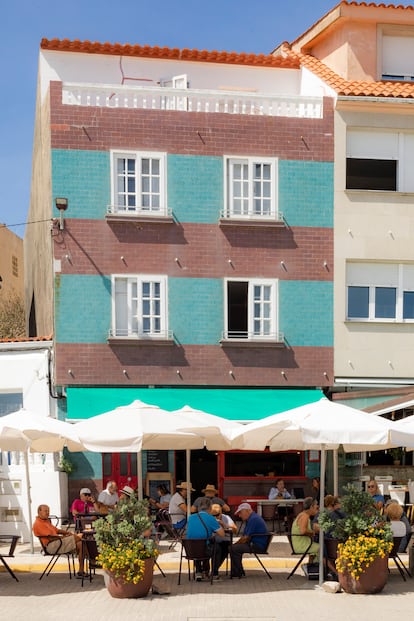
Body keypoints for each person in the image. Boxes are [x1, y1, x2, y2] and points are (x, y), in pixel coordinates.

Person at [33, 504, 85, 577]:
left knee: (80, 544)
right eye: (45, 511)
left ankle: (81, 570)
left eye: (48, 511)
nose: (48, 513)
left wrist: (67, 533)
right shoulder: (38, 523)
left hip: (57, 543)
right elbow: (51, 538)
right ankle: (94, 560)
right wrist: (65, 537)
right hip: (51, 546)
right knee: (81, 536)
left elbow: (57, 530)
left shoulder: (45, 521)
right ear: (39, 512)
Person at [186, 497, 225, 581]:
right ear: (210, 508)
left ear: (198, 508)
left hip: (190, 551)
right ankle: (214, 574)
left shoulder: (191, 518)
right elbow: (222, 534)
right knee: (217, 548)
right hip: (204, 550)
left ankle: (198, 572)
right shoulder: (211, 518)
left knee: (197, 543)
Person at [230, 502, 269, 578]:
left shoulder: (253, 519)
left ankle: (237, 572)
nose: (239, 515)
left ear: (248, 511)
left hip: (257, 545)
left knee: (233, 548)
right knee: (234, 547)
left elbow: (245, 537)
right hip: (255, 543)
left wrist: (236, 544)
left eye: (240, 513)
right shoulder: (252, 518)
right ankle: (238, 571)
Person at [211, 502, 237, 577]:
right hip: (213, 540)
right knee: (214, 548)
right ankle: (207, 570)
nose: (215, 517)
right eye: (213, 515)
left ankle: (214, 570)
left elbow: (235, 530)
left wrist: (224, 525)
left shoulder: (226, 517)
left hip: (224, 540)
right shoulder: (209, 519)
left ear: (221, 513)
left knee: (224, 548)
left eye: (217, 515)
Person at [291, 497, 320, 564]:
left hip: (303, 543)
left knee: (317, 547)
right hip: (302, 545)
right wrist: (312, 533)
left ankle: (311, 566)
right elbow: (303, 531)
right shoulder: (305, 516)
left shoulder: (302, 515)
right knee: (321, 548)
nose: (317, 507)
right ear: (311, 507)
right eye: (316, 505)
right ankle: (317, 568)